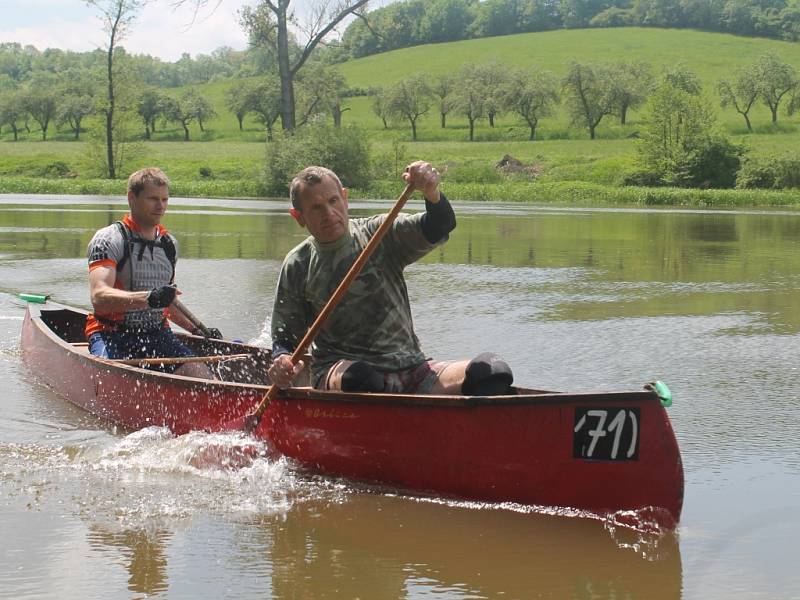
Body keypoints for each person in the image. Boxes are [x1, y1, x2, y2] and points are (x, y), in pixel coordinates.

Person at [267, 160, 513, 396]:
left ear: (345, 197)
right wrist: (282, 361)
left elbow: (440, 224)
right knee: (361, 378)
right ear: (298, 217)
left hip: (411, 369)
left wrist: (431, 191)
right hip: (340, 372)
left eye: (333, 201)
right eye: (316, 208)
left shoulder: (379, 232)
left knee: (492, 371)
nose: (329, 213)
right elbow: (285, 338)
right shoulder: (298, 262)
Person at [84, 167, 221, 377]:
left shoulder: (169, 244)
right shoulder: (109, 239)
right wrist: (149, 298)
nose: (161, 206)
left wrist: (197, 330)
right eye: (153, 199)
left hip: (158, 334)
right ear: (132, 198)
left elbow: (168, 303)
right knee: (113, 378)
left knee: (203, 377)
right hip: (110, 334)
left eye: (165, 199)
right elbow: (99, 296)